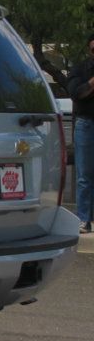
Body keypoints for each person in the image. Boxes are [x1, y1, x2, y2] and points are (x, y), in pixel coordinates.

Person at [67, 34, 94, 234]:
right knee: (84, 174)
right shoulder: (80, 69)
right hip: (86, 124)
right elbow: (76, 93)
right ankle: (84, 218)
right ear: (89, 50)